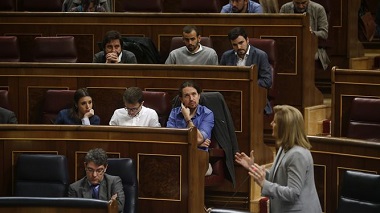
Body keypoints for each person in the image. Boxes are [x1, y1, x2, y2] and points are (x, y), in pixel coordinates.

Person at [235, 105, 322, 213]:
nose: (271, 124)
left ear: (284, 127)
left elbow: (293, 194)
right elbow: (277, 177)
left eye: (275, 122)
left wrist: (264, 184)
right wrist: (253, 168)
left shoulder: (297, 155)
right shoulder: (284, 148)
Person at [220, 27, 273, 114]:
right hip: (232, 98)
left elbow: (267, 81)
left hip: (253, 96)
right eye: (235, 45)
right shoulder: (226, 56)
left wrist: (246, 86)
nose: (239, 47)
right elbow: (221, 79)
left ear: (247, 40)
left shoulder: (260, 55)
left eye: (241, 43)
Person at [166, 81, 214, 175]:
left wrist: (187, 118)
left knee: (188, 171)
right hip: (177, 157)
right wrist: (196, 144)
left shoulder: (207, 114)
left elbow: (199, 138)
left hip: (199, 158)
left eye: (194, 94)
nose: (191, 99)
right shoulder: (174, 113)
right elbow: (170, 140)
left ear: (199, 95)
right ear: (181, 99)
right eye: (187, 96)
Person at [68, 148, 125, 213]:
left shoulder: (114, 182)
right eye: (90, 170)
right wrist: (109, 205)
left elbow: (119, 207)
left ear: (105, 168)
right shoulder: (74, 188)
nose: (94, 175)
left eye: (99, 170)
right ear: (85, 166)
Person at [280, 0, 330, 70]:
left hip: (311, 47)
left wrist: (311, 33)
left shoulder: (319, 9)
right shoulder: (285, 8)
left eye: (303, 3)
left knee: (303, 57)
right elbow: (280, 30)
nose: (300, 6)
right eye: (297, 3)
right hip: (290, 46)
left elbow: (324, 33)